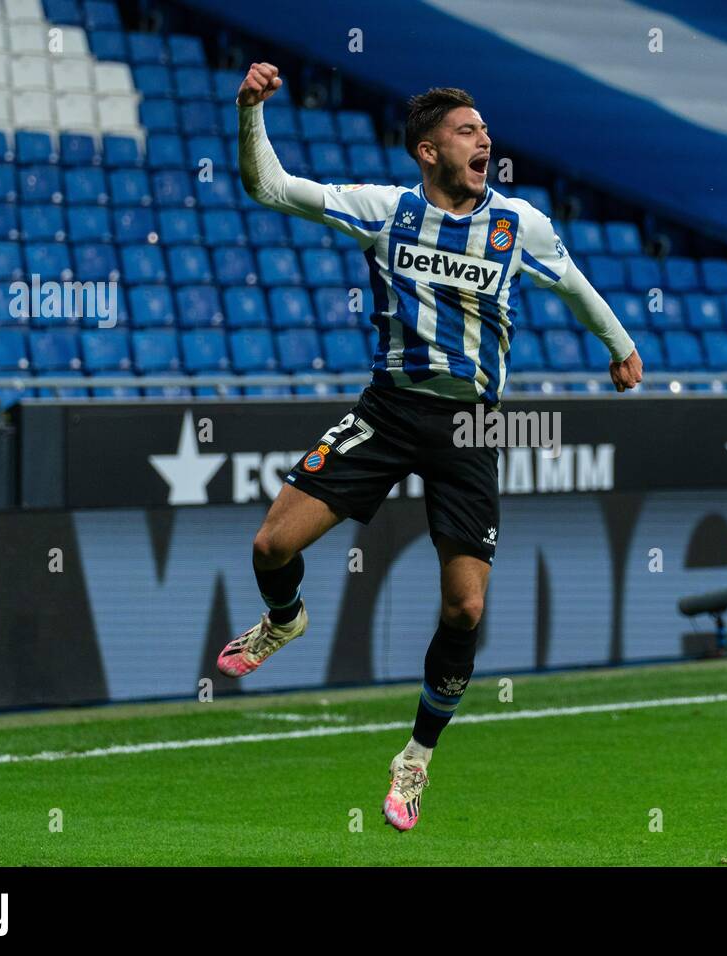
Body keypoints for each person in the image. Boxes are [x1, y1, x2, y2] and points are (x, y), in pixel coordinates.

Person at [218, 65, 643, 830]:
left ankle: (415, 758)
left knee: (465, 604)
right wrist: (250, 112)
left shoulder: (519, 226)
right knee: (272, 544)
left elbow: (574, 283)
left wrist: (620, 345)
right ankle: (283, 618)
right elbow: (271, 188)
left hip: (473, 425)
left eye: (483, 129)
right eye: (465, 131)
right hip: (389, 411)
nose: (483, 139)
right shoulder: (387, 212)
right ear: (427, 151)